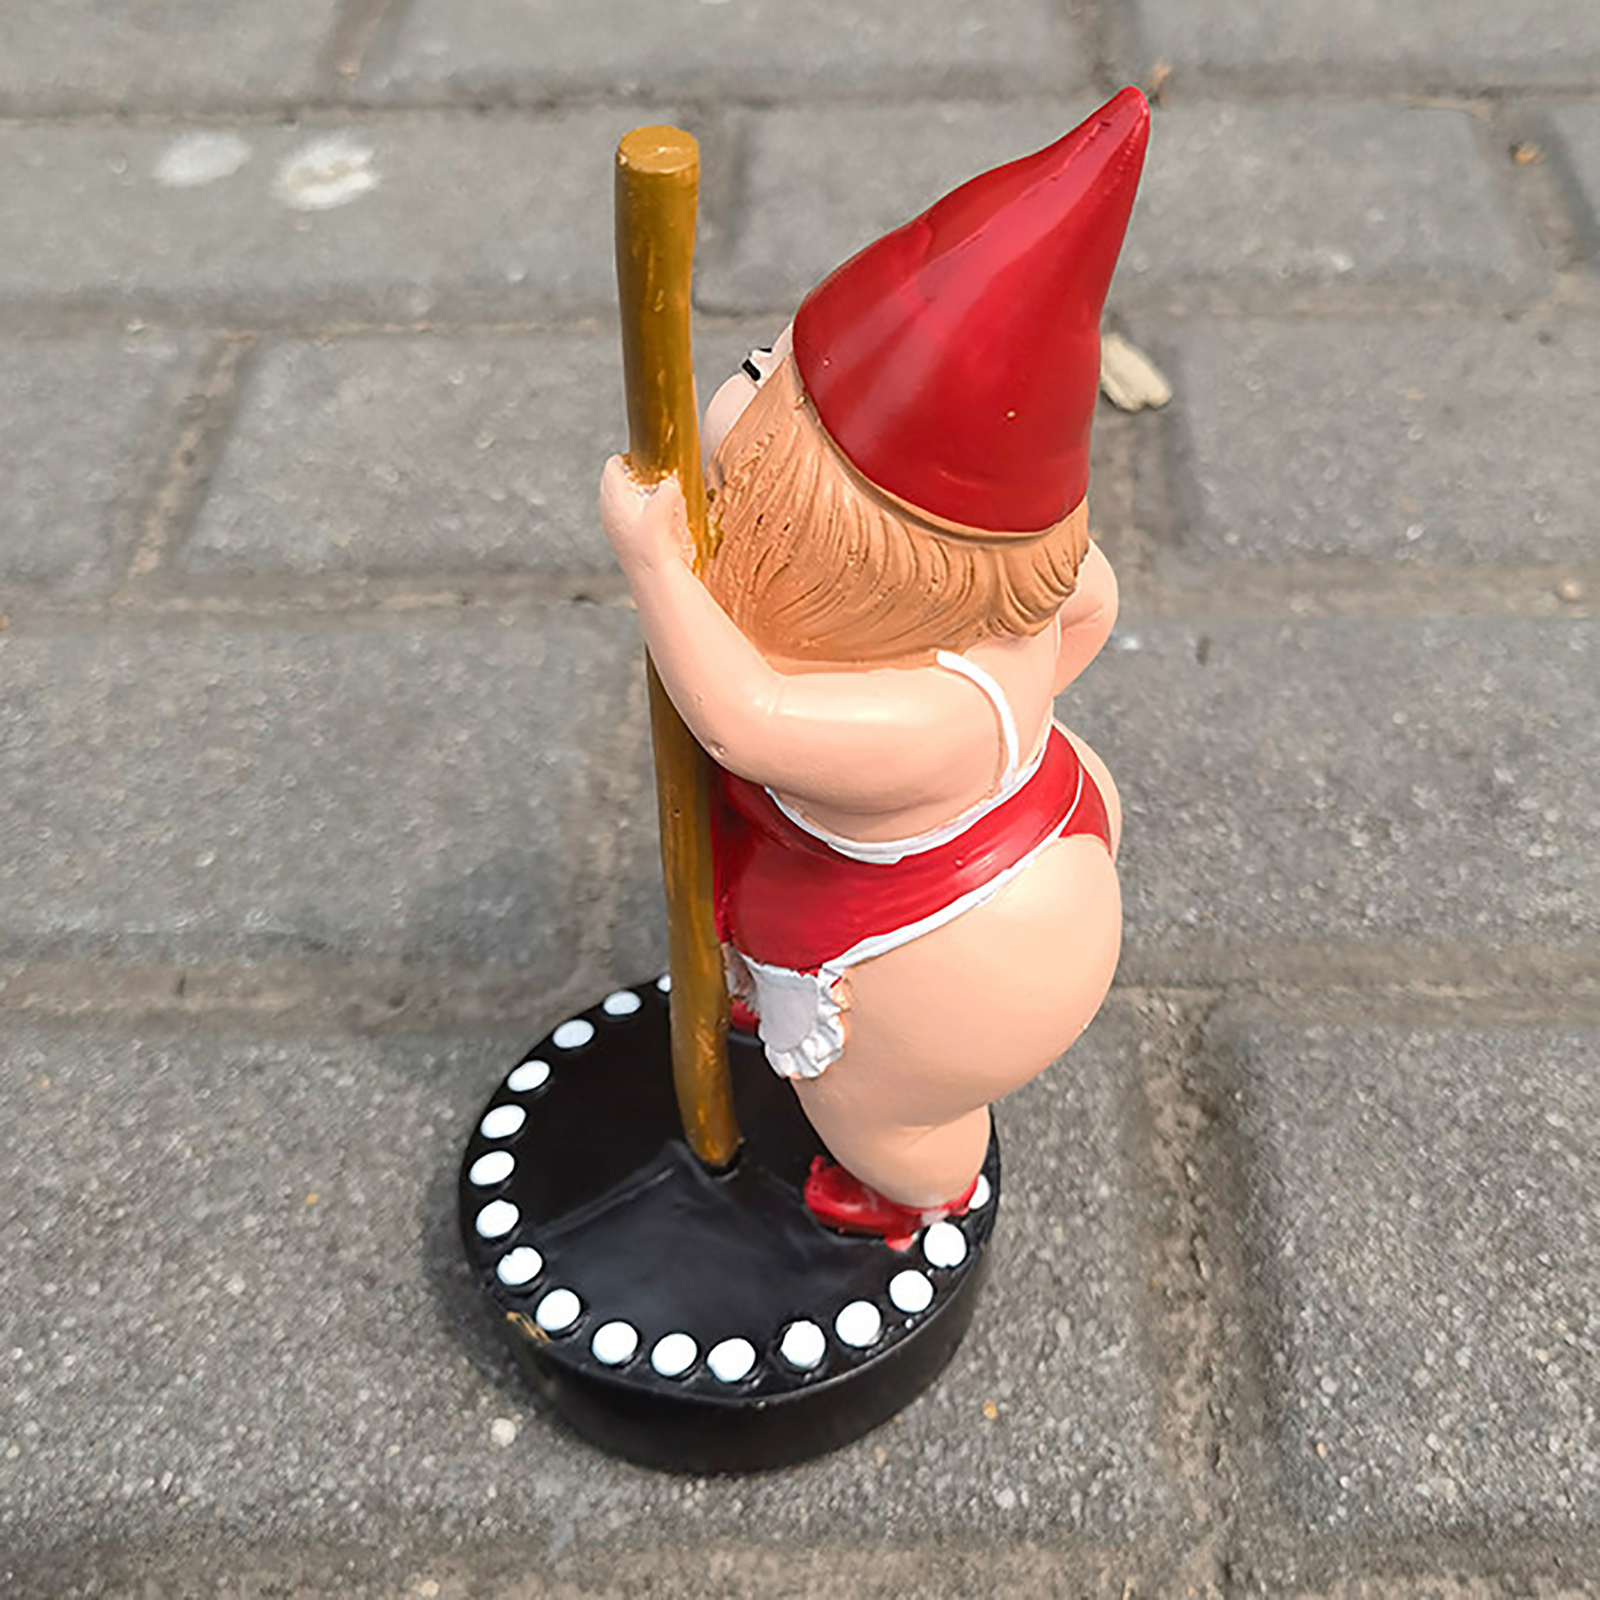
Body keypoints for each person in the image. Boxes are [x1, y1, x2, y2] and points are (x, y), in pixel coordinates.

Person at [600, 88, 1149, 1249]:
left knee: (871, 1103)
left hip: (951, 947)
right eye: (758, 365)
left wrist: (656, 561)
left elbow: (744, 721)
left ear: (842, 540)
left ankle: (918, 1190)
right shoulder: (994, 602)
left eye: (759, 399)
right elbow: (1091, 599)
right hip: (1005, 834)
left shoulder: (929, 714)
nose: (725, 405)